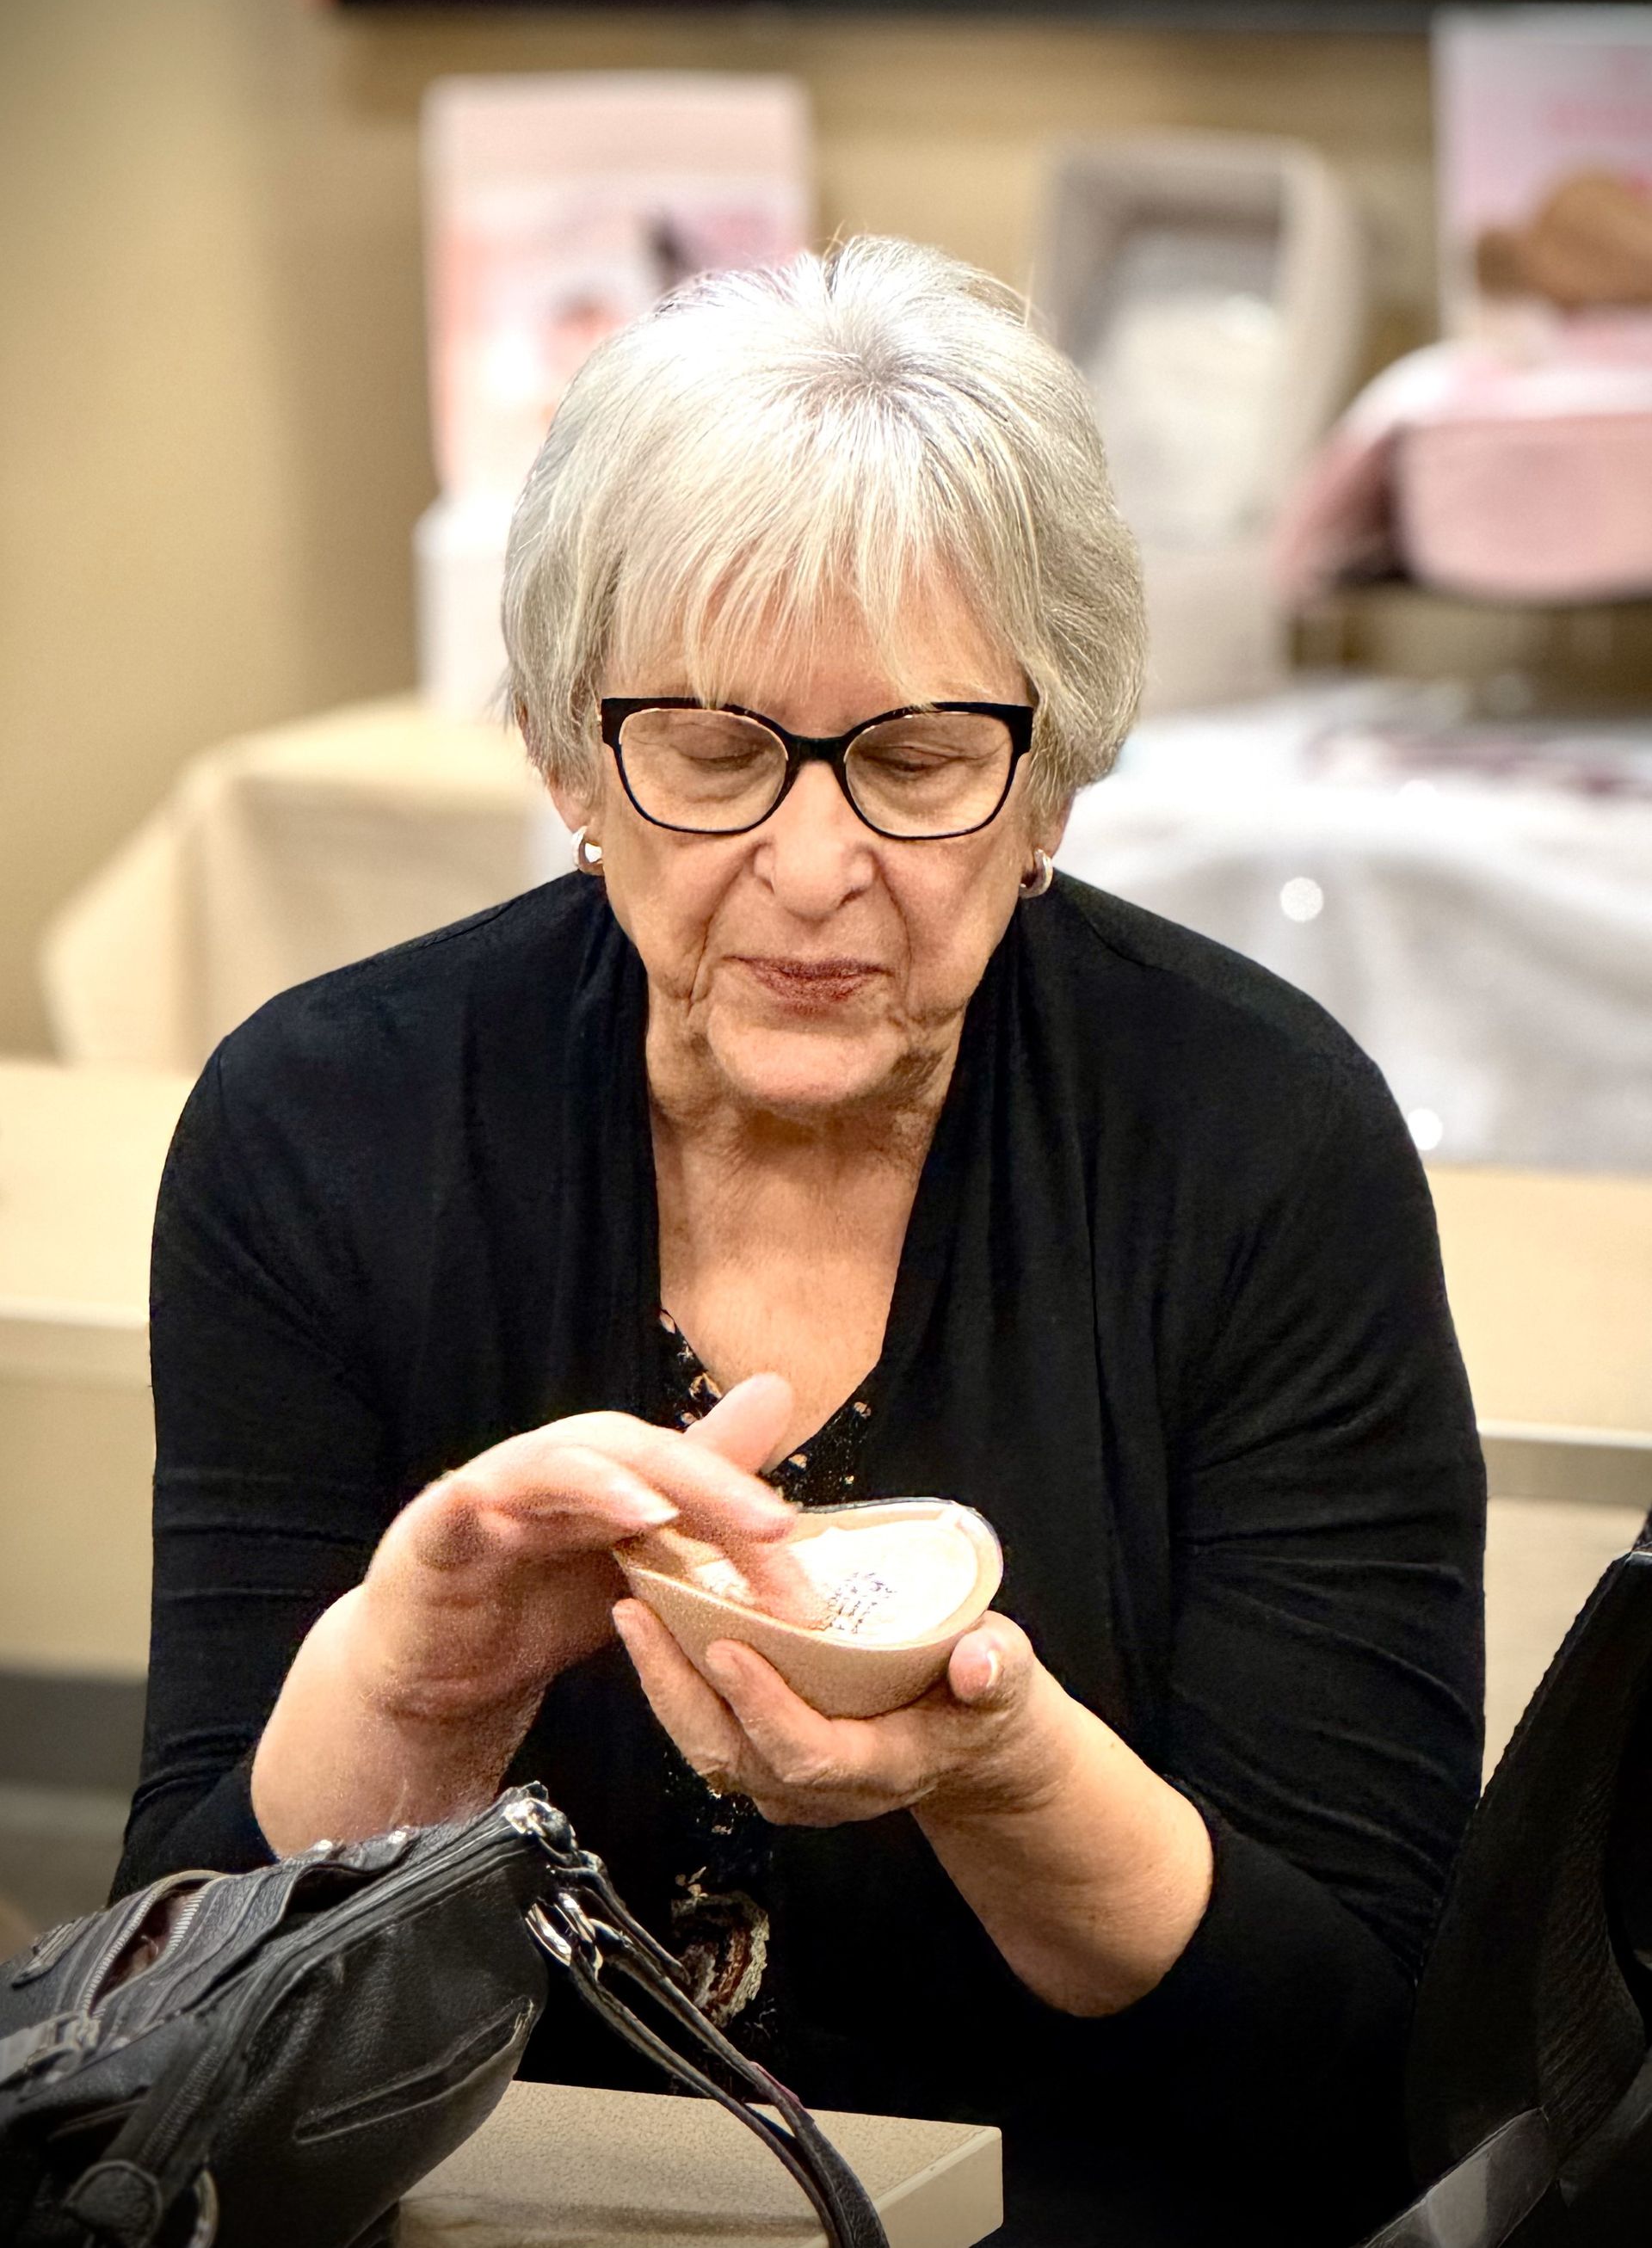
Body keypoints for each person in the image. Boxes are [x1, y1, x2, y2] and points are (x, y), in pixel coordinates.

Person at [117, 239, 1483, 2246]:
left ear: (1057, 782)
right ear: (571, 758)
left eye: (920, 761)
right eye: (715, 749)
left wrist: (1002, 1779)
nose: (817, 864)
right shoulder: (326, 1129)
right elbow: (177, 2008)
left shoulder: (1256, 1143)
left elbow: (1360, 2061)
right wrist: (416, 1689)